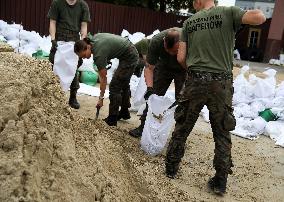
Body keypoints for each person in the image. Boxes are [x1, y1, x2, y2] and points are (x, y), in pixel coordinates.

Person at [165, 0, 266, 196]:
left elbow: (180, 58)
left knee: (182, 126)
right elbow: (260, 17)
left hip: (195, 80)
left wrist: (196, 73)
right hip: (221, 84)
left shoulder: (189, 22)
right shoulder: (228, 13)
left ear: (199, 1)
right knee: (222, 131)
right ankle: (220, 181)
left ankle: (170, 169)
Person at [129, 28, 187, 138]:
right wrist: (150, 88)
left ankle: (178, 137)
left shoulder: (189, 40)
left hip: (183, 69)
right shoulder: (156, 41)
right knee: (153, 97)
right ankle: (143, 127)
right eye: (167, 50)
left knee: (183, 103)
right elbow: (149, 68)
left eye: (174, 51)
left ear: (181, 44)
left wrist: (184, 91)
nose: (170, 53)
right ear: (164, 40)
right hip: (163, 67)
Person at [74, 33, 139, 126]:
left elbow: (103, 79)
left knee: (115, 86)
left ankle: (112, 119)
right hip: (128, 50)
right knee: (123, 83)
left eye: (83, 55)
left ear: (88, 47)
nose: (83, 58)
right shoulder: (93, 40)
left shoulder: (98, 54)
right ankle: (124, 112)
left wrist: (101, 99)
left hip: (130, 56)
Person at [47, 0, 91, 109]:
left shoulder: (82, 5)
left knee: (73, 68)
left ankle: (73, 97)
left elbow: (84, 25)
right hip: (59, 40)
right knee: (54, 64)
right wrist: (53, 40)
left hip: (74, 42)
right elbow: (52, 22)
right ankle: (52, 95)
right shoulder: (57, 3)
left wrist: (83, 41)